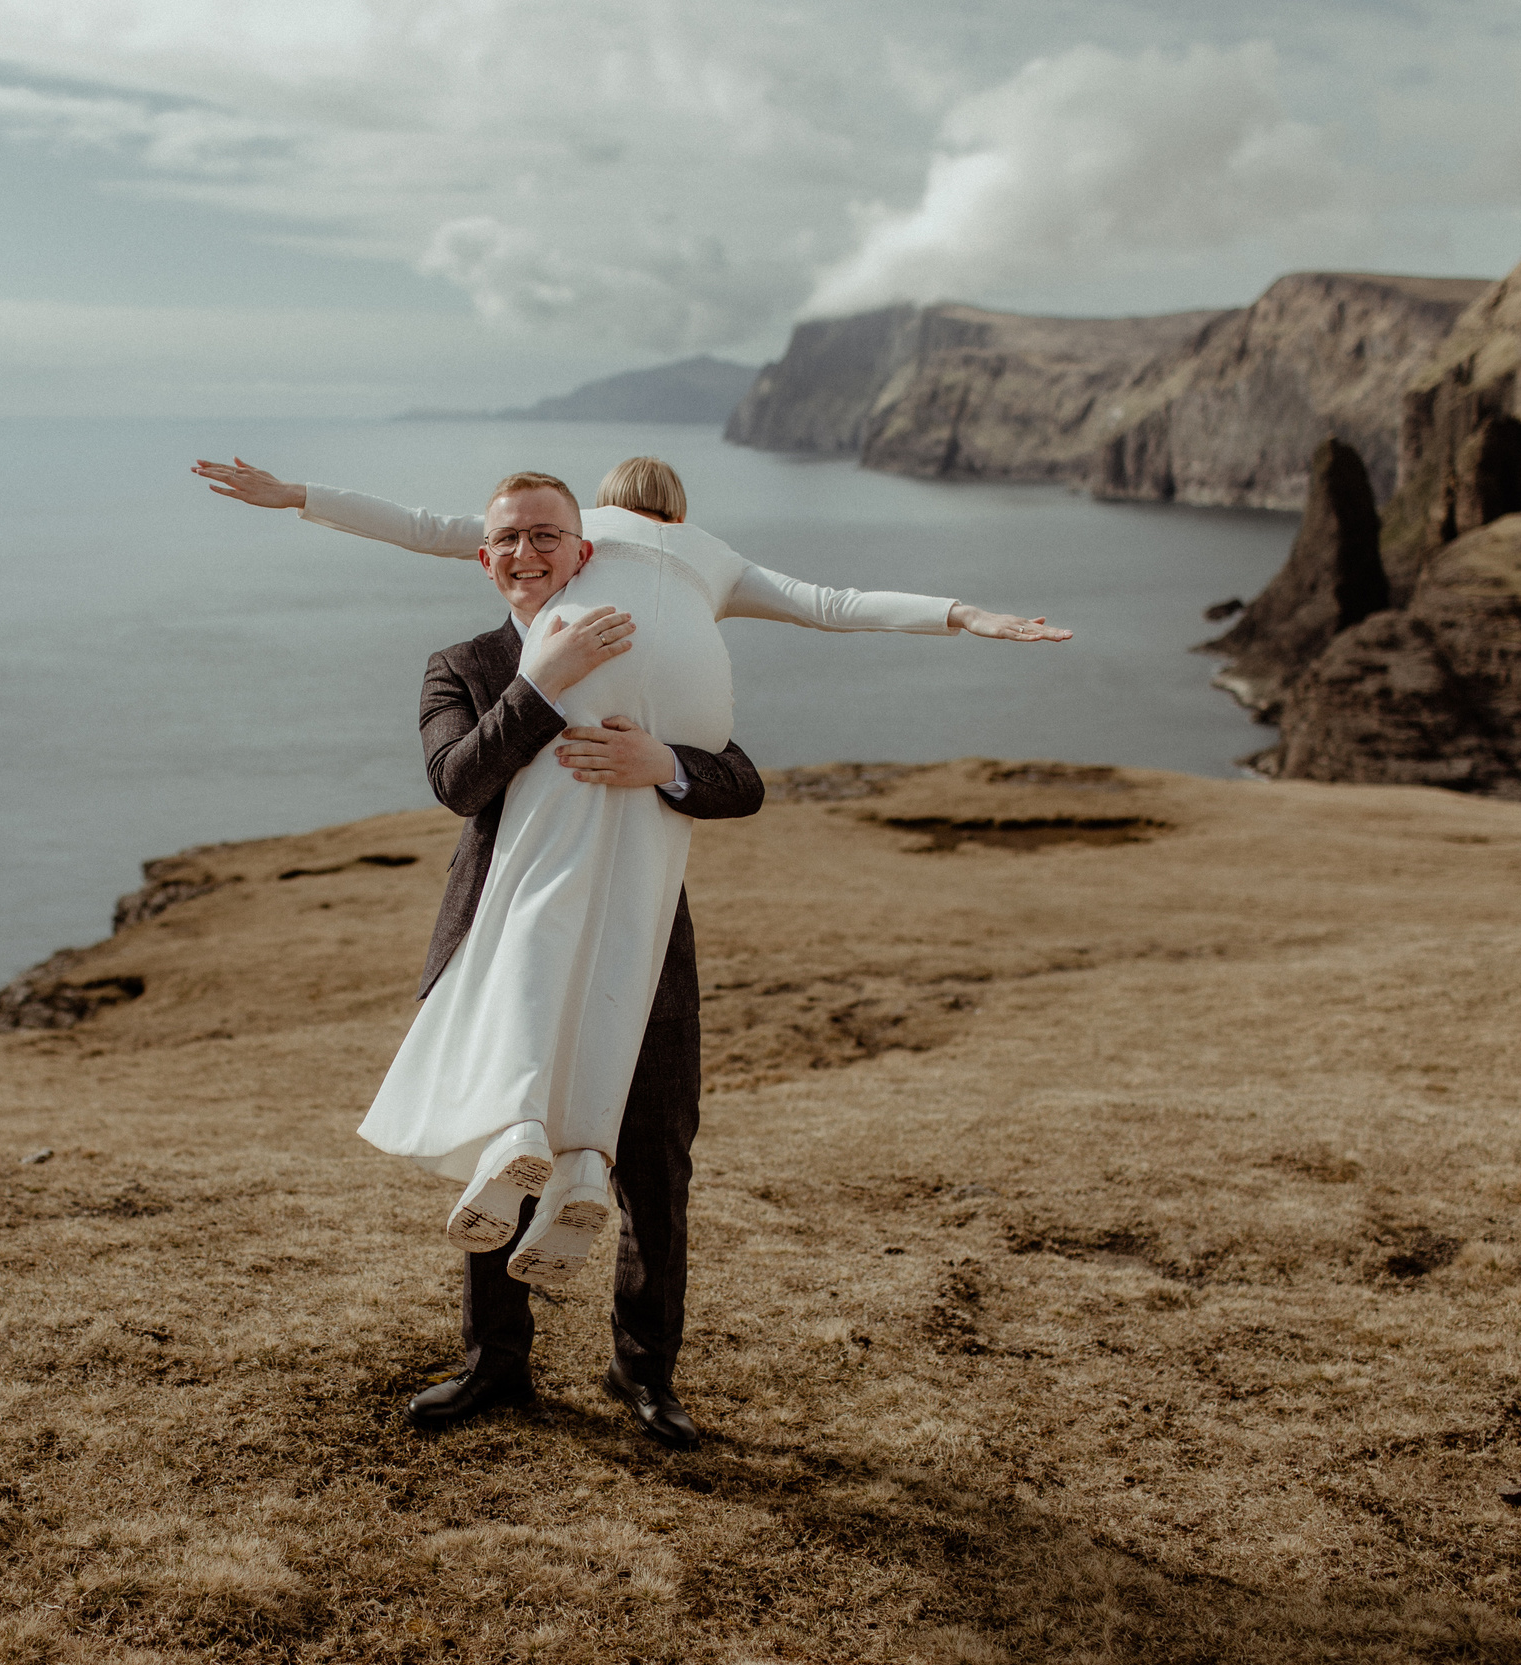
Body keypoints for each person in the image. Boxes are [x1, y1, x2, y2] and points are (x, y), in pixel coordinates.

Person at [193, 453, 1070, 1441]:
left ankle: (645, 1374)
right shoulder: (462, 665)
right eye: (508, 540)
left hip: (644, 946)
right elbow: (458, 781)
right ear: (485, 557)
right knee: (505, 1142)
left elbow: (743, 778)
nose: (526, 553)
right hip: (507, 938)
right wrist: (544, 681)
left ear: (584, 549)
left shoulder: (656, 647)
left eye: (547, 537)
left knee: (655, 1162)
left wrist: (666, 762)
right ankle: (496, 1364)